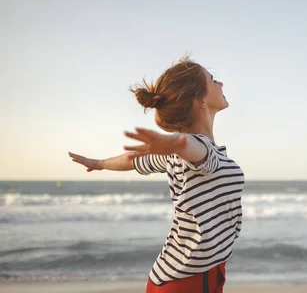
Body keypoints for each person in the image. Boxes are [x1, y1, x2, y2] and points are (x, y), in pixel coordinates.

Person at [68, 56, 245, 293]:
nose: (220, 83)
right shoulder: (197, 149)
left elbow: (131, 161)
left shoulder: (179, 152)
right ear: (199, 100)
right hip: (187, 279)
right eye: (212, 80)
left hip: (191, 272)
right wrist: (172, 142)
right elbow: (190, 147)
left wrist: (99, 163)